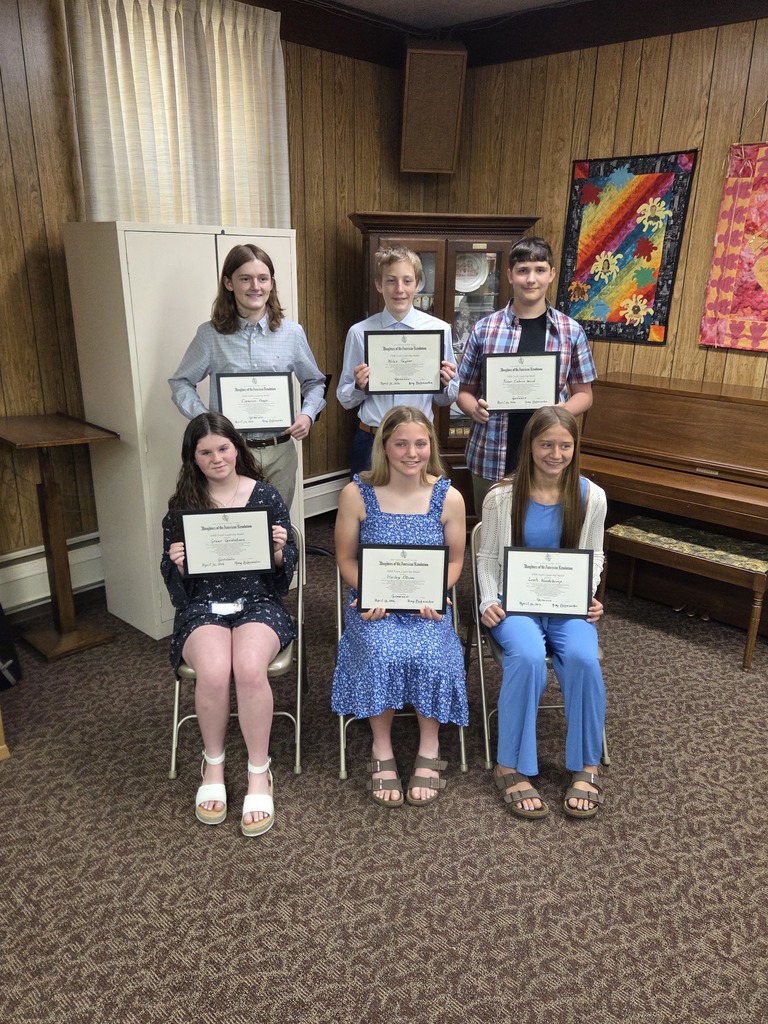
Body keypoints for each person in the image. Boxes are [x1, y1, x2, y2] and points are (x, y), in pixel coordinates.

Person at [160, 412, 297, 837]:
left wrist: (277, 553)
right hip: (203, 605)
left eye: (223, 448)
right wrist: (179, 566)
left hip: (258, 600)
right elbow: (172, 577)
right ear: (193, 458)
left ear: (237, 447)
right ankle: (213, 765)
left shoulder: (267, 496)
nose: (217, 458)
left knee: (250, 668)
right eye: (206, 452)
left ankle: (259, 771)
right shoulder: (182, 507)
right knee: (216, 671)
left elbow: (283, 574)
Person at [332, 405, 468, 807]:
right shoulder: (357, 493)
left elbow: (456, 560)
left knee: (430, 652)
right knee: (378, 651)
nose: (412, 453)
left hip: (427, 604)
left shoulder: (450, 496)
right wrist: (371, 593)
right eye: (401, 444)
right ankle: (382, 748)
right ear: (384, 447)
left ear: (431, 446)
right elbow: (346, 560)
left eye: (421, 443)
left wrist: (434, 590)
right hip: (374, 603)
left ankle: (430, 744)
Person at [476, 405, 607, 820]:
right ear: (529, 445)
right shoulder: (502, 497)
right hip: (516, 604)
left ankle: (586, 765)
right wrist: (487, 601)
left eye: (565, 445)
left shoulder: (592, 496)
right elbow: (485, 558)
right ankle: (510, 764)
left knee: (585, 658)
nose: (556, 453)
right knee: (529, 656)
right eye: (546, 444)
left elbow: (595, 553)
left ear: (575, 447)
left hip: (567, 605)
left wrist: (585, 594)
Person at [169, 243, 327, 508]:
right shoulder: (210, 335)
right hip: (232, 454)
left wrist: (308, 414)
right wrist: (205, 421)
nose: (256, 286)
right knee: (238, 532)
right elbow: (181, 382)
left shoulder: (292, 333)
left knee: (276, 531)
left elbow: (314, 382)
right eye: (246, 279)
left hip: (281, 453)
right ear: (229, 283)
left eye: (262, 279)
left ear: (271, 284)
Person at [457, 236, 597, 515]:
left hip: (549, 456)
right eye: (522, 271)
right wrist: (474, 409)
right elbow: (464, 391)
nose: (531, 279)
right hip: (492, 452)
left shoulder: (570, 332)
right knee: (490, 536)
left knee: (537, 535)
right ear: (509, 275)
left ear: (551, 274)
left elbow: (585, 395)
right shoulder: (485, 329)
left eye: (539, 270)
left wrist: (563, 411)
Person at [336, 246, 459, 477]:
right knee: (368, 511)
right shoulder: (359, 333)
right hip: (372, 441)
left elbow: (447, 399)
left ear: (417, 284)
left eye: (407, 281)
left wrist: (444, 383)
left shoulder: (439, 331)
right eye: (391, 281)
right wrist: (359, 387)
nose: (399, 289)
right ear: (379, 284)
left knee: (420, 509)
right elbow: (344, 398)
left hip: (419, 443)